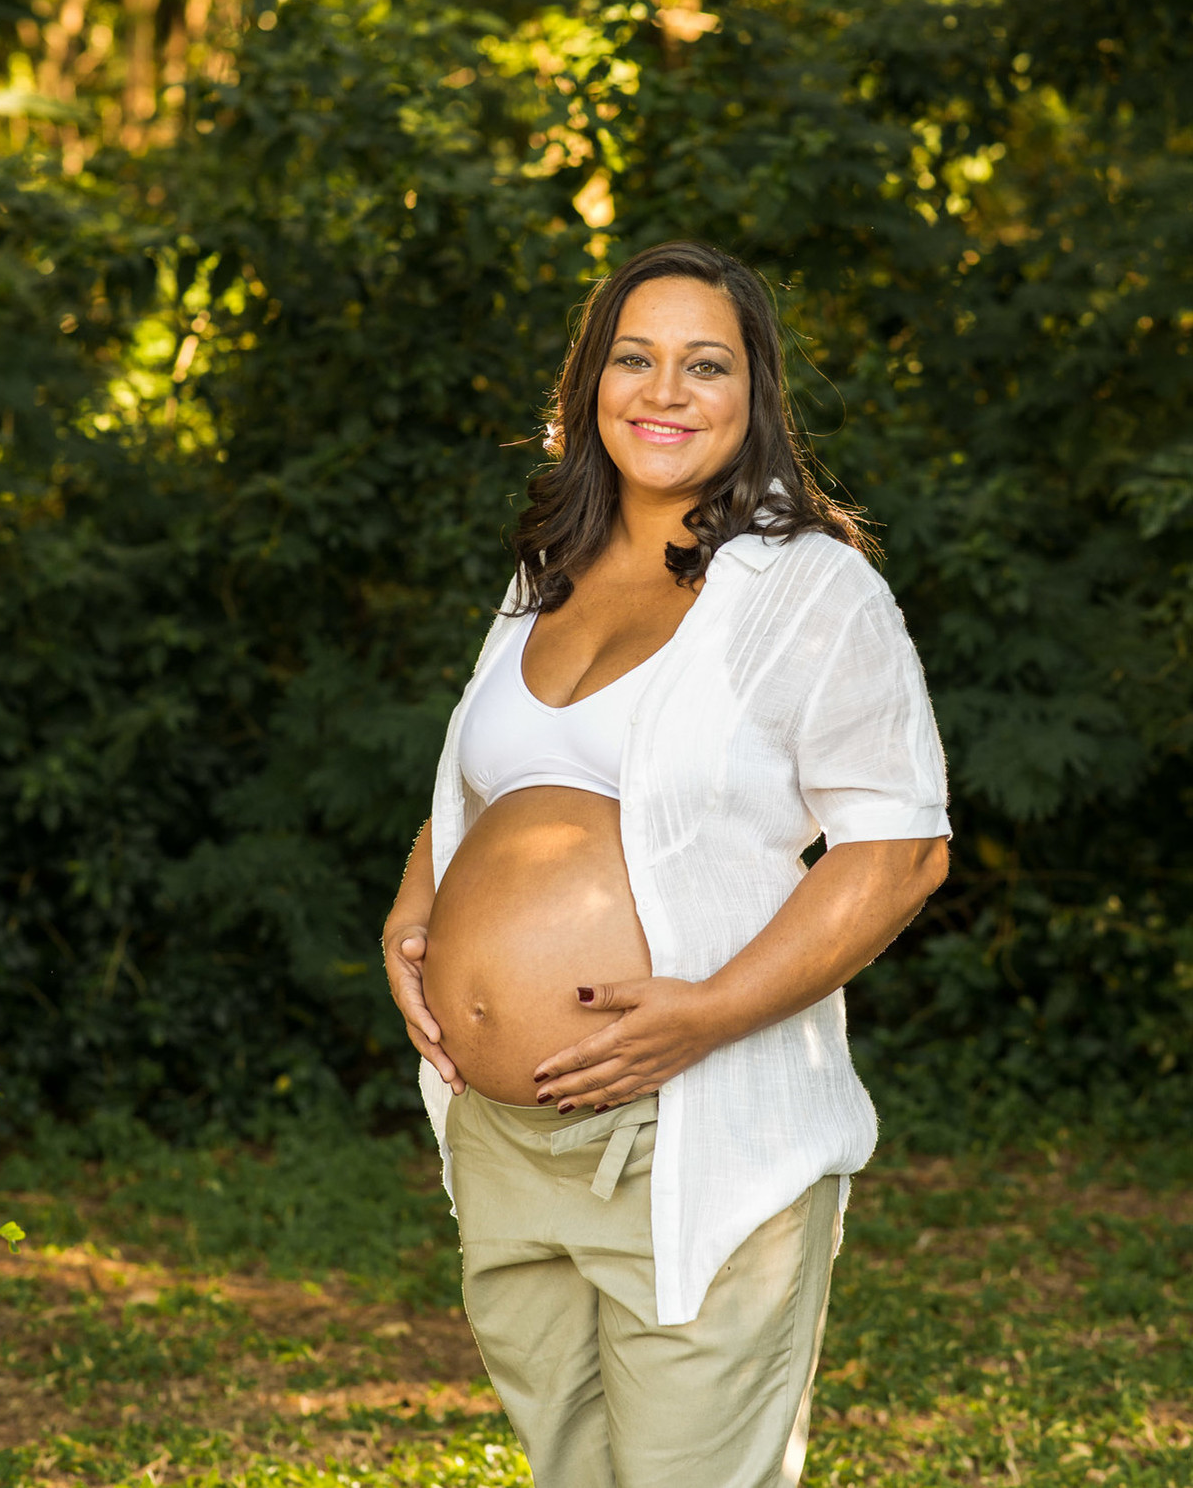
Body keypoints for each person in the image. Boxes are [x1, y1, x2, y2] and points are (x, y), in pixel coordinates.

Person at [382, 240, 950, 1488]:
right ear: (591, 384)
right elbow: (477, 786)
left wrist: (704, 1015)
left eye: (708, 364)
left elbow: (898, 848)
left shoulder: (808, 589)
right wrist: (414, 909)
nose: (666, 390)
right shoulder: (548, 571)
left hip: (690, 1127)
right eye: (635, 358)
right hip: (507, 1137)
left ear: (755, 398)